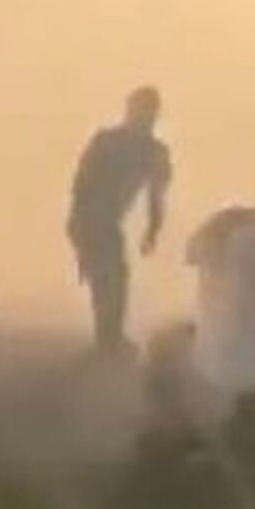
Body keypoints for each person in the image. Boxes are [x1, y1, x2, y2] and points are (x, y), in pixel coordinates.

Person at [67, 86, 172, 353]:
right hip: (93, 216)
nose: (142, 118)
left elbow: (156, 195)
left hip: (106, 219)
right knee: (109, 276)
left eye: (148, 113)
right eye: (138, 111)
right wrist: (76, 223)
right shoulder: (107, 141)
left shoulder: (154, 151)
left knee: (112, 277)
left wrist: (152, 230)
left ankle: (109, 338)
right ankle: (108, 339)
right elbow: (81, 184)